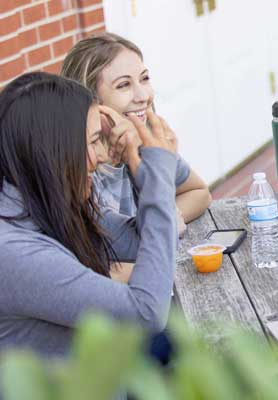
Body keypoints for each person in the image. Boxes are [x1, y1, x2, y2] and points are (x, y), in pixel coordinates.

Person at [0, 72, 178, 357]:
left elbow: (142, 239)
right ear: (54, 149)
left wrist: (138, 159)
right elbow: (146, 313)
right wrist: (159, 176)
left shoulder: (45, 204)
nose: (98, 159)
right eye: (94, 141)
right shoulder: (12, 251)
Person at [61, 33, 211, 233]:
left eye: (144, 79)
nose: (143, 96)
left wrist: (164, 221)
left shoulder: (144, 142)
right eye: (124, 85)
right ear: (89, 98)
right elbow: (104, 245)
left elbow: (199, 192)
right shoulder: (82, 166)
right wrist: (160, 225)